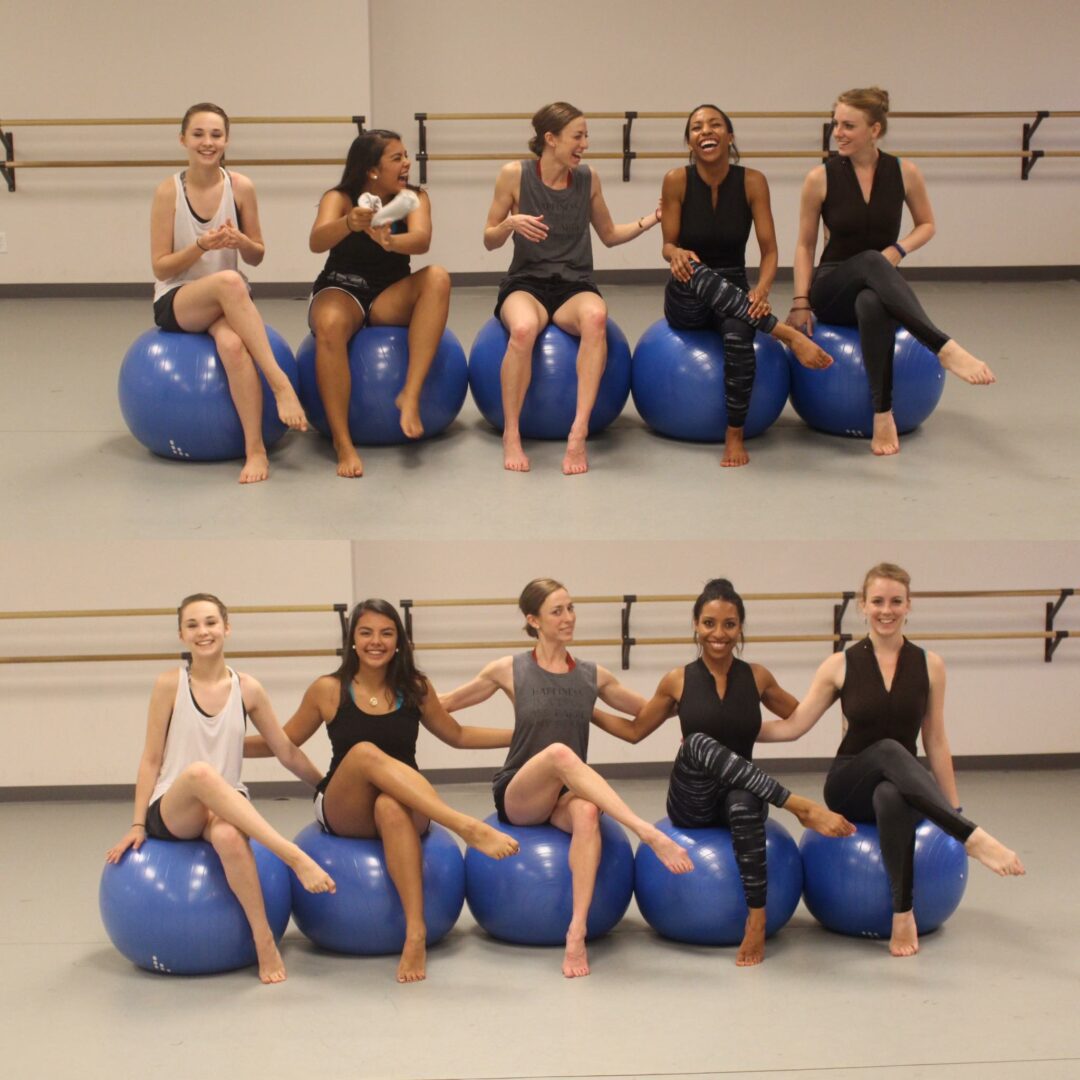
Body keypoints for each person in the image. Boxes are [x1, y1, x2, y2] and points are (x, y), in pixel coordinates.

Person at [757, 562, 1025, 956]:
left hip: (902, 786)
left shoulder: (930, 664)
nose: (887, 610)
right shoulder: (840, 664)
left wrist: (950, 804)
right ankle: (971, 835)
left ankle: (903, 915)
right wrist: (737, 731)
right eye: (878, 601)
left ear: (909, 605)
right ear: (862, 606)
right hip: (849, 784)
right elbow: (794, 726)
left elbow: (935, 739)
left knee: (891, 794)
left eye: (896, 601)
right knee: (886, 749)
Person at [245, 599, 519, 983]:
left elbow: (457, 735)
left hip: (407, 804)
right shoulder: (328, 689)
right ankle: (465, 826)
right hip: (346, 807)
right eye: (366, 632)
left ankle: (415, 933)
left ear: (399, 642)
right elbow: (283, 740)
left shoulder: (416, 688)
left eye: (386, 633)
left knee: (391, 805)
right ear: (352, 640)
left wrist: (521, 735)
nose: (377, 641)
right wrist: (221, 740)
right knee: (363, 753)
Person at [592, 578, 854, 966]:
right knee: (696, 741)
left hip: (741, 795)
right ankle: (797, 805)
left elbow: (801, 715)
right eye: (709, 623)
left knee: (745, 802)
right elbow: (634, 732)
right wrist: (586, 710)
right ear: (696, 626)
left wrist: (850, 690)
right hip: (692, 801)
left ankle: (757, 919)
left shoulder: (758, 677)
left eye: (729, 624)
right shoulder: (677, 680)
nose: (719, 634)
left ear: (740, 629)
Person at [440, 578, 693, 978]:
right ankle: (647, 832)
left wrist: (694, 710)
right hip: (519, 794)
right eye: (557, 611)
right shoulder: (509, 669)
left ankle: (576, 931)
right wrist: (395, 699)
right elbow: (445, 705)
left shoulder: (593, 676)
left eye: (571, 608)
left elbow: (650, 711)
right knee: (559, 753)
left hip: (565, 796)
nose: (568, 617)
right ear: (533, 620)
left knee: (589, 812)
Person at [104, 593, 336, 984]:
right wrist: (137, 823)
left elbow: (285, 750)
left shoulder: (248, 689)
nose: (203, 632)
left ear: (227, 628)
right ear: (181, 635)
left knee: (229, 836)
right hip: (174, 808)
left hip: (227, 805)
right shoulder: (168, 685)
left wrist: (325, 786)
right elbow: (150, 759)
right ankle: (292, 855)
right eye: (192, 625)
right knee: (199, 773)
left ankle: (263, 940)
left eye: (211, 622)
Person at [787, 87, 996, 456]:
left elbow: (926, 224)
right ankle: (943, 347)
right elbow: (805, 245)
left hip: (877, 280)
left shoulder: (905, 172)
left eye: (849, 125)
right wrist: (801, 300)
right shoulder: (819, 178)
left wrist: (899, 249)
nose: (838, 133)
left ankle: (883, 415)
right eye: (836, 124)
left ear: (875, 130)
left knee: (872, 302)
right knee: (870, 260)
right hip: (832, 285)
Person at [483, 102, 662, 475]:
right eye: (577, 136)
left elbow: (610, 236)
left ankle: (577, 434)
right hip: (526, 282)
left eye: (586, 135)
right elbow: (489, 239)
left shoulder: (587, 179)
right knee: (523, 329)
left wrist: (653, 218)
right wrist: (510, 223)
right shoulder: (514, 175)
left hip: (574, 284)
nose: (585, 143)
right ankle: (512, 434)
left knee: (597, 317)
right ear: (551, 139)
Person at [661, 105, 834, 467]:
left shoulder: (753, 181)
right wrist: (675, 253)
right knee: (693, 265)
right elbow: (669, 244)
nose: (705, 131)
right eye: (696, 127)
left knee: (740, 338)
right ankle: (785, 333)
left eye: (714, 125)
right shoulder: (676, 179)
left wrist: (762, 290)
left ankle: (734, 434)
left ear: (729, 136)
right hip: (687, 293)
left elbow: (769, 251)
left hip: (736, 289)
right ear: (689, 141)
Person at [150, 103, 307, 484]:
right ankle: (279, 383)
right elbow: (160, 267)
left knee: (234, 346)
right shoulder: (167, 191)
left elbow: (256, 255)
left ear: (227, 140)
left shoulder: (241, 186)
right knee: (230, 283)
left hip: (227, 301)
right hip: (179, 300)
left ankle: (255, 450)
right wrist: (201, 246)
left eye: (216, 135)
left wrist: (240, 241)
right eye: (199, 134)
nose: (208, 142)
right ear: (183, 139)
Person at [307, 130, 452, 476]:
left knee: (437, 277)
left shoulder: (414, 197)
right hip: (342, 288)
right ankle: (343, 443)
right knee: (329, 325)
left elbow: (421, 240)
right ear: (372, 170)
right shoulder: (340, 197)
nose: (407, 164)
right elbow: (316, 241)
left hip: (389, 292)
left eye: (406, 156)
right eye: (397, 158)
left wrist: (389, 242)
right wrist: (348, 222)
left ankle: (410, 395)